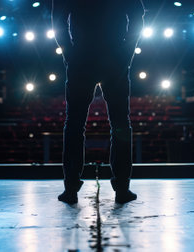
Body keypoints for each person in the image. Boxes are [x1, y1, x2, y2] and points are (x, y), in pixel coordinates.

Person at [52, 0, 145, 204]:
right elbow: (138, 15)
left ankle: (70, 189)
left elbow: (58, 20)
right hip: (114, 59)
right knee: (120, 124)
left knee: (74, 125)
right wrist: (125, 54)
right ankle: (122, 188)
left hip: (83, 59)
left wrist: (71, 54)